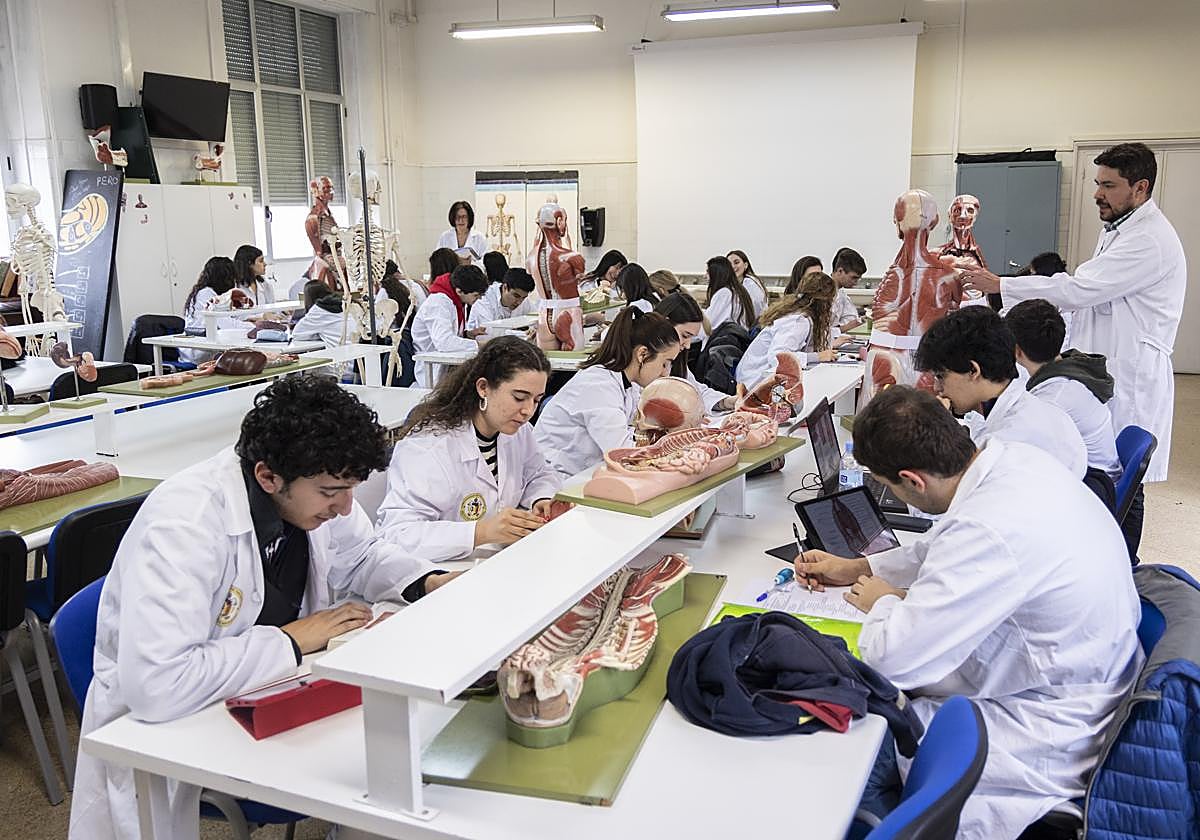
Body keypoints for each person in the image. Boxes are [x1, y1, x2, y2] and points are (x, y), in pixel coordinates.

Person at [69, 376, 456, 838]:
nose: (345, 506)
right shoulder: (185, 525)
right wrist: (291, 640)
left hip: (270, 683)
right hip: (171, 721)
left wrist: (428, 581)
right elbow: (158, 684)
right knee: (366, 778)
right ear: (267, 476)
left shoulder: (313, 487)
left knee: (399, 756)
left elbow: (363, 554)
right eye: (332, 492)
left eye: (351, 488)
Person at [795, 385, 1141, 840]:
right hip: (1083, 670)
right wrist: (861, 567)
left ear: (912, 480)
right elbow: (942, 545)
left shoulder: (990, 527)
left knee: (849, 742)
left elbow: (891, 660)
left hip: (1050, 729)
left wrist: (881, 599)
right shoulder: (1012, 459)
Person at [964, 142, 1187, 555]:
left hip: (1130, 372)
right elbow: (1088, 293)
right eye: (1097, 183)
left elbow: (1082, 289)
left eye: (1109, 185)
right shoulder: (1123, 229)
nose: (1097, 194)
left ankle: (1123, 563)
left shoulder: (1148, 240)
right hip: (1106, 365)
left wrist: (1001, 284)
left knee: (1123, 481)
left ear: (1140, 188)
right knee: (1104, 466)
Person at [376, 338, 560, 563]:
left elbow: (539, 473)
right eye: (519, 398)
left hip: (499, 561)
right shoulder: (429, 447)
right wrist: (480, 532)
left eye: (536, 400)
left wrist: (540, 499)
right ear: (483, 388)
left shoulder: (517, 431)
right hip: (442, 572)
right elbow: (397, 534)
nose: (528, 411)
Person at [913, 305, 1087, 478]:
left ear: (974, 370)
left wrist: (935, 434)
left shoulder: (1004, 444)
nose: (937, 388)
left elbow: (949, 502)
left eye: (941, 376)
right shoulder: (1034, 408)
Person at [535, 308, 680, 479]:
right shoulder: (598, 385)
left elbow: (636, 430)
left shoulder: (628, 383)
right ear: (642, 354)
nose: (666, 373)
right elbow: (622, 451)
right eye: (665, 363)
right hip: (554, 479)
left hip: (584, 472)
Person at [1005, 298, 1122, 480]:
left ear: (1017, 351)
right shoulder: (1074, 372)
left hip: (1093, 487)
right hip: (1100, 475)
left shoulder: (1053, 398)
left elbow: (1019, 451)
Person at [735, 271, 839, 389]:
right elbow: (777, 357)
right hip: (753, 383)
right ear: (823, 302)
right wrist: (817, 357)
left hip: (756, 379)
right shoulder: (797, 321)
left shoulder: (800, 315)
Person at [655, 292, 737, 412]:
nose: (688, 345)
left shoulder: (677, 359)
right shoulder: (643, 361)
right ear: (665, 324)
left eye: (691, 338)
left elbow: (695, 390)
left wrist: (726, 402)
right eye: (684, 335)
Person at [410, 264, 489, 387]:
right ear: (459, 291)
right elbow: (444, 342)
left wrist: (467, 334)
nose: (478, 299)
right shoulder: (439, 303)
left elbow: (447, 333)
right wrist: (478, 345)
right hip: (432, 370)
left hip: (445, 364)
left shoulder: (455, 300)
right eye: (475, 295)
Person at [180, 256, 240, 364]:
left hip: (205, 346)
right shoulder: (206, 294)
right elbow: (226, 324)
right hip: (198, 352)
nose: (234, 281)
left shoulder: (210, 293)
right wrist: (255, 326)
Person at [466, 266, 538, 336]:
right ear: (505, 287)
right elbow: (488, 331)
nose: (519, 302)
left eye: (524, 298)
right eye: (516, 296)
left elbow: (537, 319)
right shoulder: (485, 298)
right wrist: (523, 333)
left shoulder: (523, 300)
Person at [703, 255, 755, 336]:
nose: (704, 276)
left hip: (724, 342)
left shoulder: (724, 293)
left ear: (716, 274)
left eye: (708, 272)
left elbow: (708, 325)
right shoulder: (738, 290)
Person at [436, 200, 487, 266]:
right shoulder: (445, 237)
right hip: (451, 274)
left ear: (469, 218)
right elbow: (438, 259)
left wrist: (471, 263)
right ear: (453, 218)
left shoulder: (479, 237)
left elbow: (485, 261)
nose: (461, 220)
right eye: (457, 217)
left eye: (464, 217)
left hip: (473, 274)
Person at [829, 247, 866, 331]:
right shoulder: (821, 294)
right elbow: (818, 332)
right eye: (854, 278)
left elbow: (852, 319)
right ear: (840, 271)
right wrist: (844, 328)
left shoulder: (842, 294)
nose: (856, 282)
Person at [727, 249, 768, 318]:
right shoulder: (731, 285)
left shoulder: (751, 284)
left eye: (736, 262)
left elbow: (756, 310)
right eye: (729, 264)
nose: (733, 266)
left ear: (745, 265)